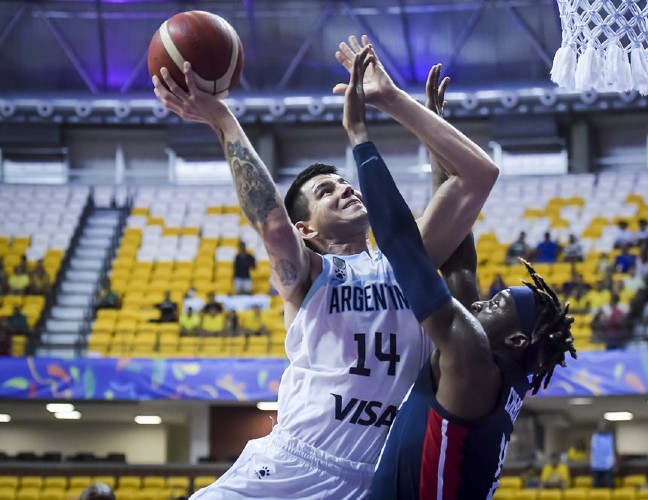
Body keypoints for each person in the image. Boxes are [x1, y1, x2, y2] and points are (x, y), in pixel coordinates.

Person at [154, 34, 498, 498]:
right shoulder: (309, 276)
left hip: (375, 479)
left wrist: (397, 104)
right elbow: (272, 223)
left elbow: (477, 175)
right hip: (294, 463)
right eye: (325, 191)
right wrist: (221, 118)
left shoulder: (406, 260)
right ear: (307, 230)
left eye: (344, 181)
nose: (345, 188)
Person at [340, 48, 576, 499]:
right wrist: (435, 133)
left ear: (519, 340)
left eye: (496, 304)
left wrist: (359, 135)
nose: (483, 303)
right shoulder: (497, 369)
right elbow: (458, 260)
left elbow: (403, 247)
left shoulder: (471, 359)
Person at [590, 419, 616, 488]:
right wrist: (592, 463)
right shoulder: (595, 437)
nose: (602, 427)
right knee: (596, 485)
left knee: (609, 484)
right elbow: (593, 451)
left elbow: (612, 450)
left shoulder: (610, 436)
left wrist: (614, 463)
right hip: (596, 465)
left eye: (604, 426)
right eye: (601, 425)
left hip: (608, 465)